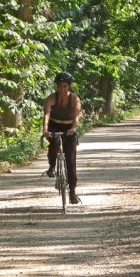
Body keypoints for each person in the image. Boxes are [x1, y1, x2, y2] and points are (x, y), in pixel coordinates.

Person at [43, 72, 81, 205]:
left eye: (65, 86)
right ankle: (52, 165)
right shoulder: (51, 98)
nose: (62, 89)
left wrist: (73, 128)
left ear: (69, 87)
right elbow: (46, 115)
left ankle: (72, 192)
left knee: (70, 159)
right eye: (59, 87)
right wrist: (45, 130)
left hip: (69, 128)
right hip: (54, 125)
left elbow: (76, 115)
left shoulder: (74, 99)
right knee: (55, 142)